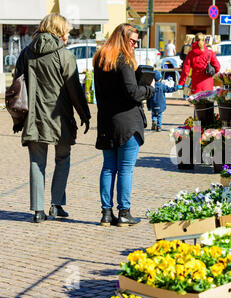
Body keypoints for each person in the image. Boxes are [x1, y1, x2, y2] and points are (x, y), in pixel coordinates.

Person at [12, 13, 91, 223]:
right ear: (59, 30)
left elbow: (16, 84)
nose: (67, 35)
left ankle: (38, 210)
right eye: (66, 31)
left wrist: (18, 117)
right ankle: (56, 205)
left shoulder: (26, 53)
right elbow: (75, 89)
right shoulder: (64, 55)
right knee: (62, 159)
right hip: (60, 117)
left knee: (37, 163)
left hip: (33, 117)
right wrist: (85, 114)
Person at [93, 23, 155, 227]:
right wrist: (149, 89)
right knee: (126, 169)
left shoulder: (101, 59)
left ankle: (106, 213)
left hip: (107, 121)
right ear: (123, 38)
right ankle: (124, 213)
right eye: (133, 41)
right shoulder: (123, 60)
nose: (135, 45)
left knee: (108, 167)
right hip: (127, 122)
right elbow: (132, 92)